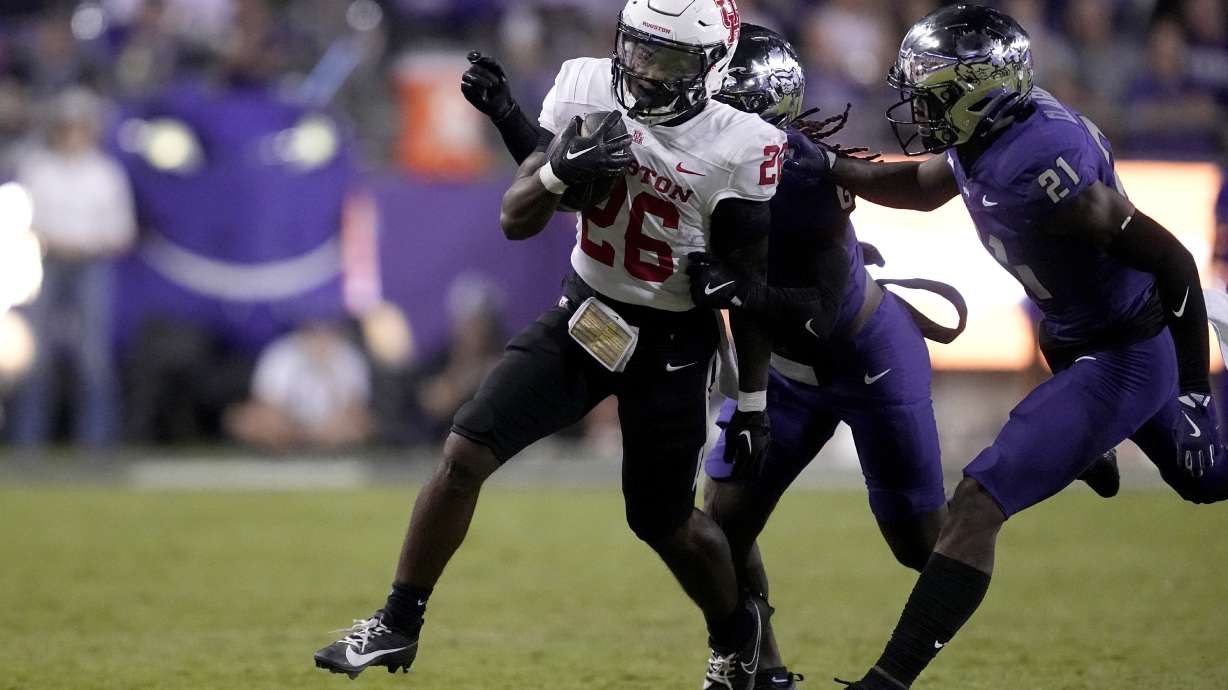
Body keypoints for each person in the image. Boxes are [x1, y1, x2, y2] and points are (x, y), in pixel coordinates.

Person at [313, 2, 786, 688]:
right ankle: (397, 622)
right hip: (586, 312)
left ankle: (739, 640)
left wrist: (750, 406)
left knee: (663, 521)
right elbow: (523, 210)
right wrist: (547, 156)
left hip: (673, 341)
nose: (648, 72)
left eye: (672, 60)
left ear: (714, 63)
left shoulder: (740, 143)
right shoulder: (588, 84)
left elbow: (748, 288)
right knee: (464, 451)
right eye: (640, 50)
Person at [784, 6, 1228, 688]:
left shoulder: (1049, 164)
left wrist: (1196, 392)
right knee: (1204, 479)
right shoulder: (987, 136)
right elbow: (924, 186)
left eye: (931, 94)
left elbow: (1174, 263)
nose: (918, 108)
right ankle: (1086, 441)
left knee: (977, 502)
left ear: (977, 91)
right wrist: (827, 166)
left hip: (1124, 350)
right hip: (1077, 337)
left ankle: (885, 682)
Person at [10, 87, 136, 450]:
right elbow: (22, 220)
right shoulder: (38, 168)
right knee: (34, 354)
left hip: (91, 264)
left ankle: (96, 443)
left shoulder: (106, 173)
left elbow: (121, 231)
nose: (73, 132)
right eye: (68, 125)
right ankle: (27, 441)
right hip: (45, 263)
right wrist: (53, 241)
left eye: (80, 125)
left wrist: (86, 244)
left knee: (93, 355)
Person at [224, 320, 373, 451]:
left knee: (360, 425)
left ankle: (305, 444)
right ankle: (297, 443)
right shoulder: (282, 351)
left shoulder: (348, 355)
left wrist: (327, 370)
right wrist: (288, 427)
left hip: (329, 425)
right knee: (243, 419)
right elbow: (267, 404)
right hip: (288, 423)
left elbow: (353, 408)